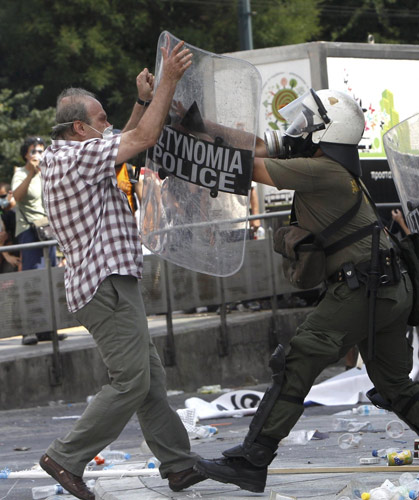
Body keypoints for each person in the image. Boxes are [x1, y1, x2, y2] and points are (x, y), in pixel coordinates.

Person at [194, 89, 419, 493]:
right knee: (395, 387)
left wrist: (183, 145)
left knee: (296, 361)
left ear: (325, 132)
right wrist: (200, 126)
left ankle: (252, 458)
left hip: (362, 288)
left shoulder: (322, 172)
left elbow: (248, 165)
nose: (296, 130)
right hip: (389, 288)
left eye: (305, 123)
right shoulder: (329, 166)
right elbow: (261, 144)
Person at [38, 41, 205, 500]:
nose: (107, 125)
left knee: (149, 381)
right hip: (104, 286)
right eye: (100, 119)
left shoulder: (70, 155)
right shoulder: (76, 159)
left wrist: (143, 102)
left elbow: (124, 137)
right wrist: (169, 78)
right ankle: (65, 456)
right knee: (132, 381)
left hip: (106, 284)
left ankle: (178, 464)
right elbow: (141, 139)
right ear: (79, 127)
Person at [11, 138, 63, 345]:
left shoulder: (46, 174)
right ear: (26, 154)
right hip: (29, 232)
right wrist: (31, 173)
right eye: (34, 151)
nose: (38, 154)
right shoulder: (21, 174)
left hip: (47, 231)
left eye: (41, 150)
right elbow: (17, 196)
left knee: (49, 279)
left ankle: (47, 329)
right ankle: (28, 330)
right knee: (32, 280)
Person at [0, 182, 20, 273]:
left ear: (10, 194)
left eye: (3, 196)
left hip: (20, 256)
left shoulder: (19, 211)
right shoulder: (3, 214)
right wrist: (7, 256)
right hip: (7, 258)